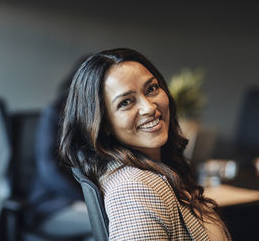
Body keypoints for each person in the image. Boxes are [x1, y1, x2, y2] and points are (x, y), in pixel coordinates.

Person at [59, 48, 231, 240]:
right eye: (125, 102)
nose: (149, 107)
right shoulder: (134, 189)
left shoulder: (157, 169)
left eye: (151, 89)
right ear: (104, 124)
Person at [28, 55, 92, 238]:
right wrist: (88, 199)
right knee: (108, 223)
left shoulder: (97, 120)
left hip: (87, 202)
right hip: (53, 204)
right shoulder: (55, 113)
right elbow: (49, 170)